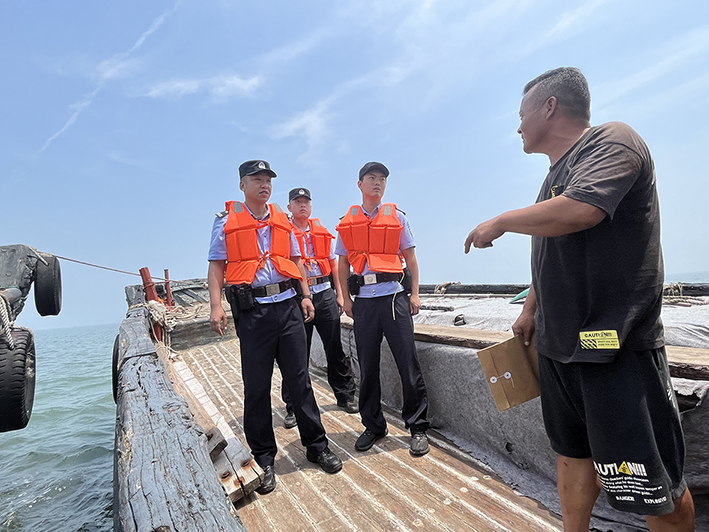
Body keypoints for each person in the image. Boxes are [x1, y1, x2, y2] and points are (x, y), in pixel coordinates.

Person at [465, 68, 694, 531]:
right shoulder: (552, 177)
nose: (518, 126)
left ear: (549, 106)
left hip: (615, 348)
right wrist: (530, 311)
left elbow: (583, 211)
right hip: (559, 347)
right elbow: (553, 252)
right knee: (572, 457)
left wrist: (502, 221)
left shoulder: (613, 140)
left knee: (655, 486)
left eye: (522, 113)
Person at [208, 159, 342, 495]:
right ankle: (264, 457)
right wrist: (214, 307)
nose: (264, 184)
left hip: (288, 304)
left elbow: (296, 260)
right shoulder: (225, 221)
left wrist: (307, 295)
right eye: (257, 178)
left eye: (268, 179)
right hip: (252, 312)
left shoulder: (282, 219)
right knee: (256, 386)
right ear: (242, 185)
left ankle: (316, 445)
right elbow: (216, 265)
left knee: (300, 380)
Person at [335, 162, 430, 456]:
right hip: (363, 301)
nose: (378, 183)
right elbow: (341, 264)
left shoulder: (397, 218)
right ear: (360, 184)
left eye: (382, 179)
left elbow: (411, 260)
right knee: (368, 366)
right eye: (371, 178)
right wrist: (345, 299)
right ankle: (374, 426)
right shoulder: (346, 222)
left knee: (407, 363)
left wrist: (414, 294)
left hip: (393, 297)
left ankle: (417, 427)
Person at [281, 187, 358, 429]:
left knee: (334, 347)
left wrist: (340, 294)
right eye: (297, 201)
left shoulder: (321, 231)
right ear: (289, 207)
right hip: (297, 296)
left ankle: (345, 395)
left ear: (311, 206)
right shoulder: (283, 233)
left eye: (306, 201)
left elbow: (333, 264)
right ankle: (293, 407)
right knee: (295, 354)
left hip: (324, 293)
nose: (302, 205)